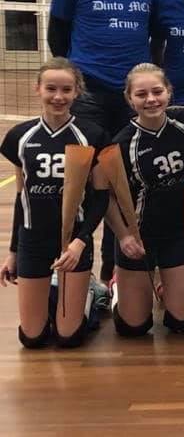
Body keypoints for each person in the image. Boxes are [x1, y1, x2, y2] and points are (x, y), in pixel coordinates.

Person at [48, 0, 158, 283]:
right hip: (89, 96)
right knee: (84, 185)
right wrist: (75, 81)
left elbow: (154, 34)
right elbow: (57, 35)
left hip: (130, 100)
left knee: (124, 183)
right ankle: (77, 271)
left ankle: (114, 273)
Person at [0, 58, 108, 348]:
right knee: (31, 338)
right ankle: (56, 294)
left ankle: (90, 295)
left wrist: (80, 242)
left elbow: (100, 197)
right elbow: (22, 199)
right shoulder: (20, 137)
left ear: (77, 92)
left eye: (66, 90)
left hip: (73, 241)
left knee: (68, 338)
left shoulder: (91, 135)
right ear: (38, 89)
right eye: (51, 88)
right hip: (33, 240)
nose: (58, 97)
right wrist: (13, 252)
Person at [104, 64, 184, 337]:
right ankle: (117, 288)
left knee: (182, 323)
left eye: (157, 91)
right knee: (133, 328)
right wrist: (124, 237)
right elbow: (106, 197)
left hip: (180, 232)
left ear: (169, 92)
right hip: (140, 237)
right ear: (129, 99)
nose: (151, 100)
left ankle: (165, 285)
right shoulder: (122, 144)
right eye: (141, 94)